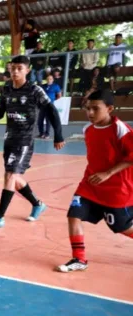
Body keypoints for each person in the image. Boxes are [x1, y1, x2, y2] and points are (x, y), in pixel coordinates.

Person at [0, 55, 65, 228]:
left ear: (27, 70)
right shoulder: (7, 88)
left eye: (19, 68)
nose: (15, 71)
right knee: (13, 177)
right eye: (13, 68)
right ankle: (38, 204)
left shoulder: (34, 90)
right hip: (9, 138)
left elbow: (52, 111)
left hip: (25, 139)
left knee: (10, 175)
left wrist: (58, 135)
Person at [57, 90, 133, 272]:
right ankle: (79, 259)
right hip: (89, 185)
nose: (90, 113)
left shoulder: (121, 130)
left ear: (110, 108)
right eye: (87, 109)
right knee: (74, 215)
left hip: (116, 189)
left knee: (122, 227)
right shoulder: (87, 129)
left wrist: (108, 173)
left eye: (95, 109)